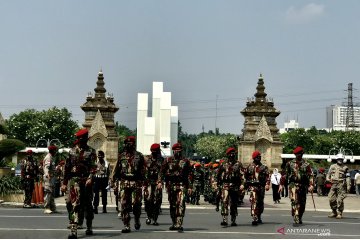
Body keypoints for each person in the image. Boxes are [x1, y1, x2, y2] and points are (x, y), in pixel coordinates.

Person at [61, 129, 97, 239]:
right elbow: (67, 169)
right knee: (73, 205)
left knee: (87, 206)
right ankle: (73, 230)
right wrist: (64, 183)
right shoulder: (71, 151)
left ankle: (89, 226)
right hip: (74, 182)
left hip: (86, 182)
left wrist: (91, 178)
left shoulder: (91, 152)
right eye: (79, 139)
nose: (80, 141)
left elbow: (93, 168)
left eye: (83, 139)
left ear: (87, 139)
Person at [111, 136, 146, 233]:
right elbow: (116, 170)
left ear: (134, 144)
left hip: (136, 183)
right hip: (124, 182)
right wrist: (113, 182)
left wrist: (144, 182)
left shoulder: (139, 156)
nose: (128, 145)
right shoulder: (121, 156)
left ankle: (137, 219)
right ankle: (126, 225)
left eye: (130, 144)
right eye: (126, 144)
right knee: (123, 204)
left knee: (136, 204)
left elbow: (144, 170)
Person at [160, 142, 193, 232]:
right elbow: (162, 172)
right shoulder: (168, 160)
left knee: (180, 204)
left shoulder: (185, 161)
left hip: (181, 186)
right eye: (176, 150)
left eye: (180, 150)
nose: (178, 152)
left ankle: (179, 223)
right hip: (171, 186)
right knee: (173, 205)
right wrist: (160, 182)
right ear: (173, 151)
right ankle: (174, 222)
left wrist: (190, 186)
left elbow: (190, 174)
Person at [279, 146, 314, 224]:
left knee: (302, 203)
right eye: (297, 154)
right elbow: (285, 175)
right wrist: (281, 185)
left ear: (302, 154)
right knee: (294, 201)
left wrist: (311, 185)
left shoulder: (306, 164)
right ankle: (296, 215)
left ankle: (300, 215)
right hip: (293, 185)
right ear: (295, 154)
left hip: (303, 186)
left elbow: (311, 175)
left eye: (300, 153)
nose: (299, 155)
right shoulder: (290, 164)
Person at [217, 147, 245, 226]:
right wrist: (217, 185)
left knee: (233, 203)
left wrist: (242, 184)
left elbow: (242, 175)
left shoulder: (238, 164)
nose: (232, 155)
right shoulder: (223, 164)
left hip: (235, 186)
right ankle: (224, 219)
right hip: (225, 185)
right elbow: (218, 175)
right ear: (228, 155)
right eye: (231, 154)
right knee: (224, 201)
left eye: (234, 153)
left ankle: (233, 219)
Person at [245, 151, 270, 225]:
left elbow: (267, 176)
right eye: (257, 157)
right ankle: (254, 217)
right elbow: (245, 176)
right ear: (254, 158)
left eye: (260, 157)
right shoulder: (249, 167)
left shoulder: (264, 167)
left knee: (260, 202)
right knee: (254, 201)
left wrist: (267, 184)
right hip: (253, 187)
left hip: (261, 187)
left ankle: (259, 215)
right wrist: (244, 185)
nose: (259, 158)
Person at [144, 143, 163, 226]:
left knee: (157, 201)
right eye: (153, 151)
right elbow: (144, 171)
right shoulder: (147, 159)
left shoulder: (161, 160)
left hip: (157, 183)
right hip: (148, 182)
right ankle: (148, 217)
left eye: (156, 151)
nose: (155, 153)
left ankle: (155, 219)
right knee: (148, 201)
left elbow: (162, 172)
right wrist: (144, 183)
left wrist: (160, 181)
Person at [326, 154, 351, 219]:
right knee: (331, 199)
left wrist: (348, 185)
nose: (340, 160)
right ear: (337, 159)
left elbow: (348, 177)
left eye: (341, 159)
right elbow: (328, 174)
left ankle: (339, 213)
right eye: (339, 159)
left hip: (341, 185)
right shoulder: (332, 166)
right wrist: (328, 179)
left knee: (340, 200)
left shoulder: (345, 167)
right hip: (333, 184)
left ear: (343, 160)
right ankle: (334, 212)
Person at [43, 145, 58, 214]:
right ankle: (47, 208)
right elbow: (46, 167)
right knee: (48, 193)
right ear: (53, 151)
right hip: (48, 177)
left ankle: (52, 207)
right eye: (55, 150)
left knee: (52, 193)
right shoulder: (48, 157)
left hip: (52, 178)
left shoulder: (52, 157)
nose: (56, 152)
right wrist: (47, 174)